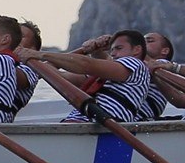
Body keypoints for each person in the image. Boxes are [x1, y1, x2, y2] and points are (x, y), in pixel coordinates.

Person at [23, 28, 153, 123]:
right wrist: (93, 50)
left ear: (136, 50)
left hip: (105, 126)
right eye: (111, 49)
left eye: (118, 48)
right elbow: (61, 75)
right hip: (81, 124)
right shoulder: (103, 78)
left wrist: (39, 55)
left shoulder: (135, 64)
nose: (113, 54)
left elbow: (86, 64)